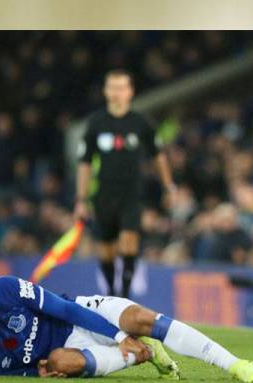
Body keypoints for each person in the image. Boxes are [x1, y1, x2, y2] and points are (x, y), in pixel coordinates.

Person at [0, 275, 253, 382]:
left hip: (82, 314)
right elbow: (31, 373)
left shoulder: (1, 290)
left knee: (143, 320)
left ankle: (235, 365)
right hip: (72, 351)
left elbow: (66, 308)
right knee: (60, 362)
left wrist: (119, 335)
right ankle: (142, 352)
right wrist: (38, 375)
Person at [74, 69, 177, 298]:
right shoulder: (95, 123)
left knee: (129, 241)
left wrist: (168, 186)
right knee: (107, 251)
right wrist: (81, 199)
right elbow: (84, 163)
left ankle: (124, 297)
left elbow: (158, 155)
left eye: (121, 87)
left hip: (131, 194)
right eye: (112, 87)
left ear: (130, 92)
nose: (116, 93)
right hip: (104, 196)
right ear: (105, 91)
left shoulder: (141, 123)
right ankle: (111, 292)